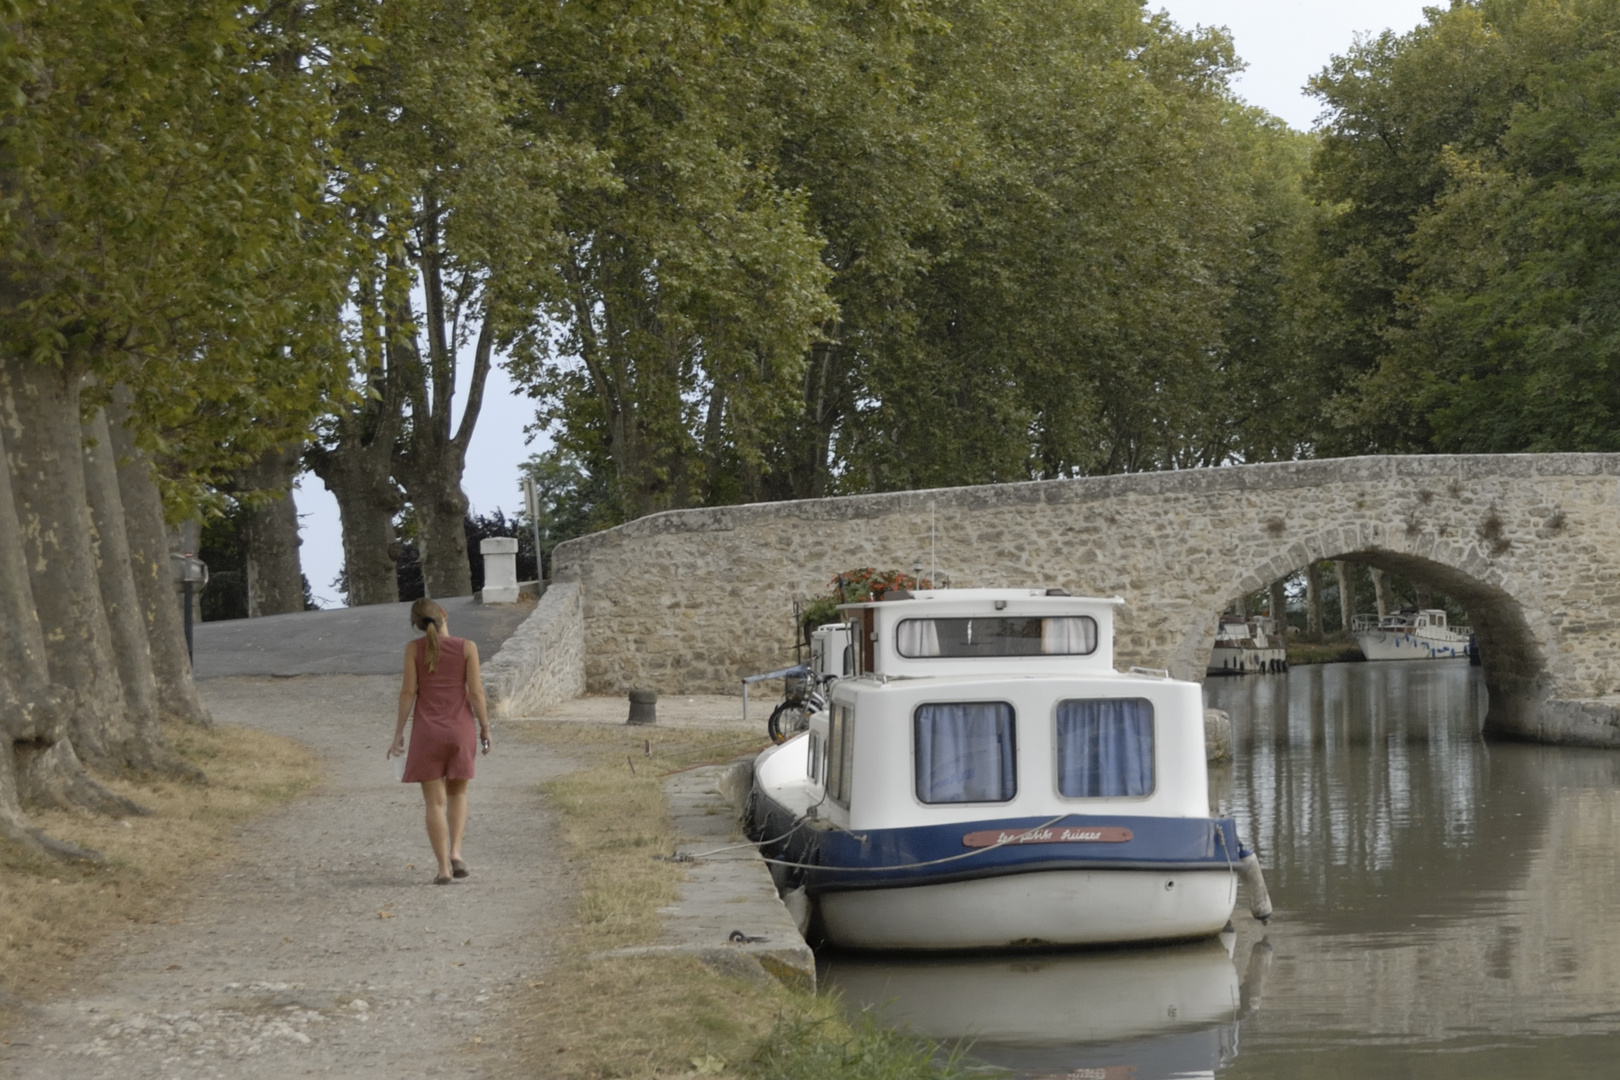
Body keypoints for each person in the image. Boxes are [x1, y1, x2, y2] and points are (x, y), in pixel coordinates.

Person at [387, 598, 492, 884]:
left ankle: (443, 870)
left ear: (417, 626)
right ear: (444, 615)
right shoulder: (467, 647)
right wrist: (485, 727)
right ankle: (456, 852)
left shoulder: (413, 650)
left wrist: (398, 734)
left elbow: (408, 693)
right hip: (460, 731)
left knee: (434, 803)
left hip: (427, 734)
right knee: (458, 794)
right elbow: (476, 693)